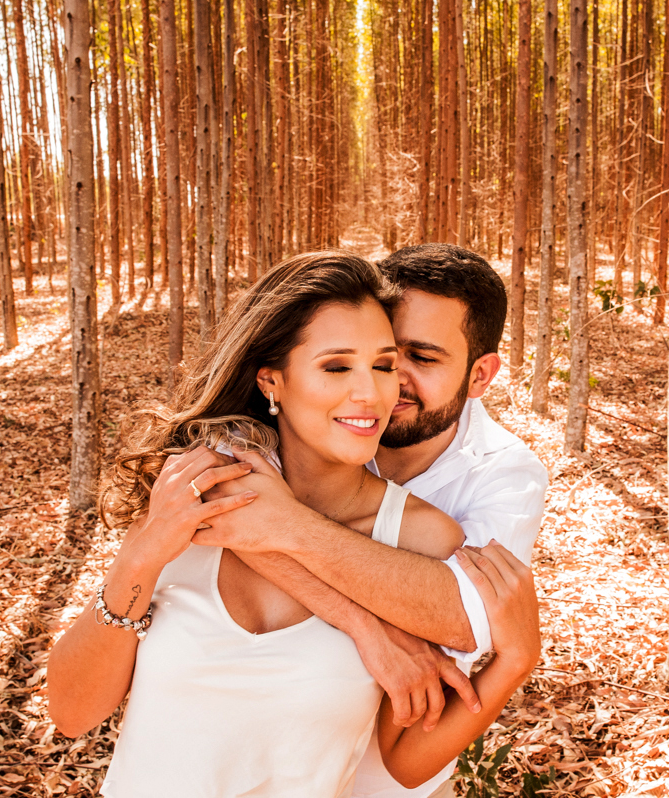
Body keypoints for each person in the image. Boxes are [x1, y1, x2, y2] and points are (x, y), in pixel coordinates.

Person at [46, 251, 541, 797]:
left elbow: (458, 642)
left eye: (384, 365)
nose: (378, 390)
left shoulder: (434, 531)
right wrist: (139, 557)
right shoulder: (198, 486)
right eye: (336, 366)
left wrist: (515, 660)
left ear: (479, 374)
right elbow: (71, 715)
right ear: (271, 382)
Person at [192, 243, 549, 797]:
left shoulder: (505, 475)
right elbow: (226, 511)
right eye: (384, 353)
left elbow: (464, 616)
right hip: (257, 764)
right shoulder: (313, 419)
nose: (386, 383)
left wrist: (286, 524)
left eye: (423, 359)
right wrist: (370, 626)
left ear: (480, 376)